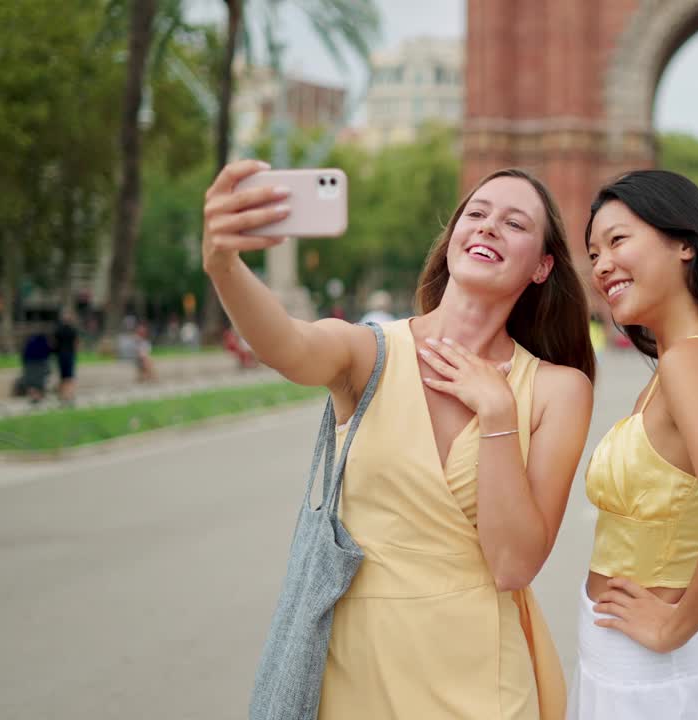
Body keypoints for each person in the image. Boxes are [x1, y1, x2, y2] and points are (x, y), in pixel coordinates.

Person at [204, 161, 595, 719]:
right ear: (454, 236)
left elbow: (513, 565)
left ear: (542, 266)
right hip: (355, 669)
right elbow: (286, 344)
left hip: (484, 678)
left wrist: (498, 414)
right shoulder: (369, 353)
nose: (487, 227)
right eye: (476, 214)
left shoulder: (559, 389)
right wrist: (223, 265)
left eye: (515, 224)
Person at [574, 171, 698, 718]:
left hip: (647, 672)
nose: (601, 265)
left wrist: (671, 627)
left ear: (685, 243)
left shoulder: (690, 361)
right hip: (631, 660)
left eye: (618, 241)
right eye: (593, 252)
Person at [19, 331, 52, 404]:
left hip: (30, 365)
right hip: (40, 365)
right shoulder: (43, 343)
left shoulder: (30, 344)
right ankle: (37, 397)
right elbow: (48, 352)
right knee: (38, 382)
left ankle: (34, 397)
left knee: (31, 383)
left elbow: (24, 356)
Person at [53, 311, 79, 405]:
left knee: (62, 376)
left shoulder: (58, 330)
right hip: (69, 355)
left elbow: (55, 343)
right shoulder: (73, 330)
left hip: (61, 355)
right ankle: (70, 395)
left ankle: (62, 395)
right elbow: (76, 343)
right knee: (70, 376)